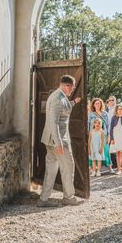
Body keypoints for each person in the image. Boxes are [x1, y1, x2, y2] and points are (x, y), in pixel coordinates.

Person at [38, 75, 82, 207]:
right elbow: (53, 122)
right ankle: (68, 197)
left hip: (50, 140)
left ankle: (43, 199)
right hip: (58, 140)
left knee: (51, 169)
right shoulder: (58, 98)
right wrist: (58, 143)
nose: (72, 90)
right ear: (67, 86)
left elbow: (64, 108)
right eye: (72, 88)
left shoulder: (58, 95)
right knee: (68, 167)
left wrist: (74, 102)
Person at [88, 98, 111, 173]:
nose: (98, 105)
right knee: (94, 150)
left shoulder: (105, 113)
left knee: (106, 150)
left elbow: (108, 125)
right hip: (94, 135)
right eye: (96, 103)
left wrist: (109, 135)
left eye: (99, 103)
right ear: (93, 105)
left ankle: (109, 166)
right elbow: (89, 126)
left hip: (103, 134)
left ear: (101, 104)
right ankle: (93, 168)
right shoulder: (91, 114)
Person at [109, 104, 122, 176]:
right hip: (116, 136)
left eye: (121, 109)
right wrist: (112, 138)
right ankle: (118, 169)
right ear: (116, 110)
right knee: (117, 153)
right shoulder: (113, 118)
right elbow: (111, 128)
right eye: (118, 109)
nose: (120, 110)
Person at [106, 96, 118, 172]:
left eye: (112, 100)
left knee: (116, 147)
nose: (111, 101)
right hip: (108, 131)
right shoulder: (106, 110)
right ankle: (112, 163)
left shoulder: (117, 109)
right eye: (109, 100)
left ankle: (117, 164)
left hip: (116, 130)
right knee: (109, 147)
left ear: (115, 101)